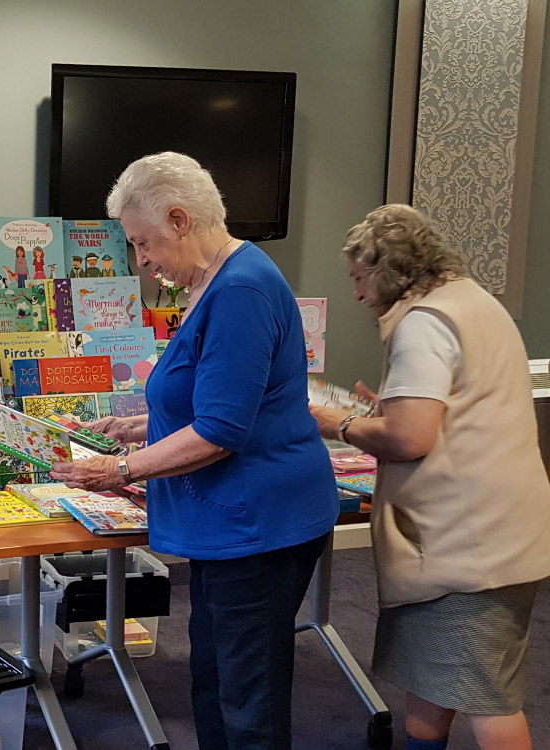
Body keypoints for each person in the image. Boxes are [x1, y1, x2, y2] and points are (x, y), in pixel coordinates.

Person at [51, 152, 338, 750]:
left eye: (143, 242)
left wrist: (118, 469)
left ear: (180, 220)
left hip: (257, 529)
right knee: (212, 681)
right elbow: (216, 392)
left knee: (246, 700)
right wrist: (143, 426)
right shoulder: (215, 282)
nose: (142, 261)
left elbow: (220, 430)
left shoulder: (241, 290)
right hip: (228, 528)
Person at [310, 204, 550, 750]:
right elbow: (457, 410)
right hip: (503, 526)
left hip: (467, 546)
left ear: (385, 268)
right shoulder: (472, 301)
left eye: (358, 277)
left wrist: (339, 423)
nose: (356, 293)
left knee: (490, 698)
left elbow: (410, 439)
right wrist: (385, 411)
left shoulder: (423, 323)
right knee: (437, 678)